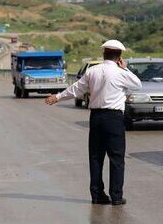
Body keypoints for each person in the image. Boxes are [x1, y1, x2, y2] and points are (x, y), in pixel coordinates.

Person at [45, 40, 142, 206]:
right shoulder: (121, 73)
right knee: (116, 159)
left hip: (96, 118)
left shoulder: (92, 71)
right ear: (119, 57)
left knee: (96, 157)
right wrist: (125, 67)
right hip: (114, 118)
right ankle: (116, 196)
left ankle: (97, 195)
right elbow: (138, 85)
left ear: (104, 54)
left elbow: (76, 88)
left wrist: (58, 97)